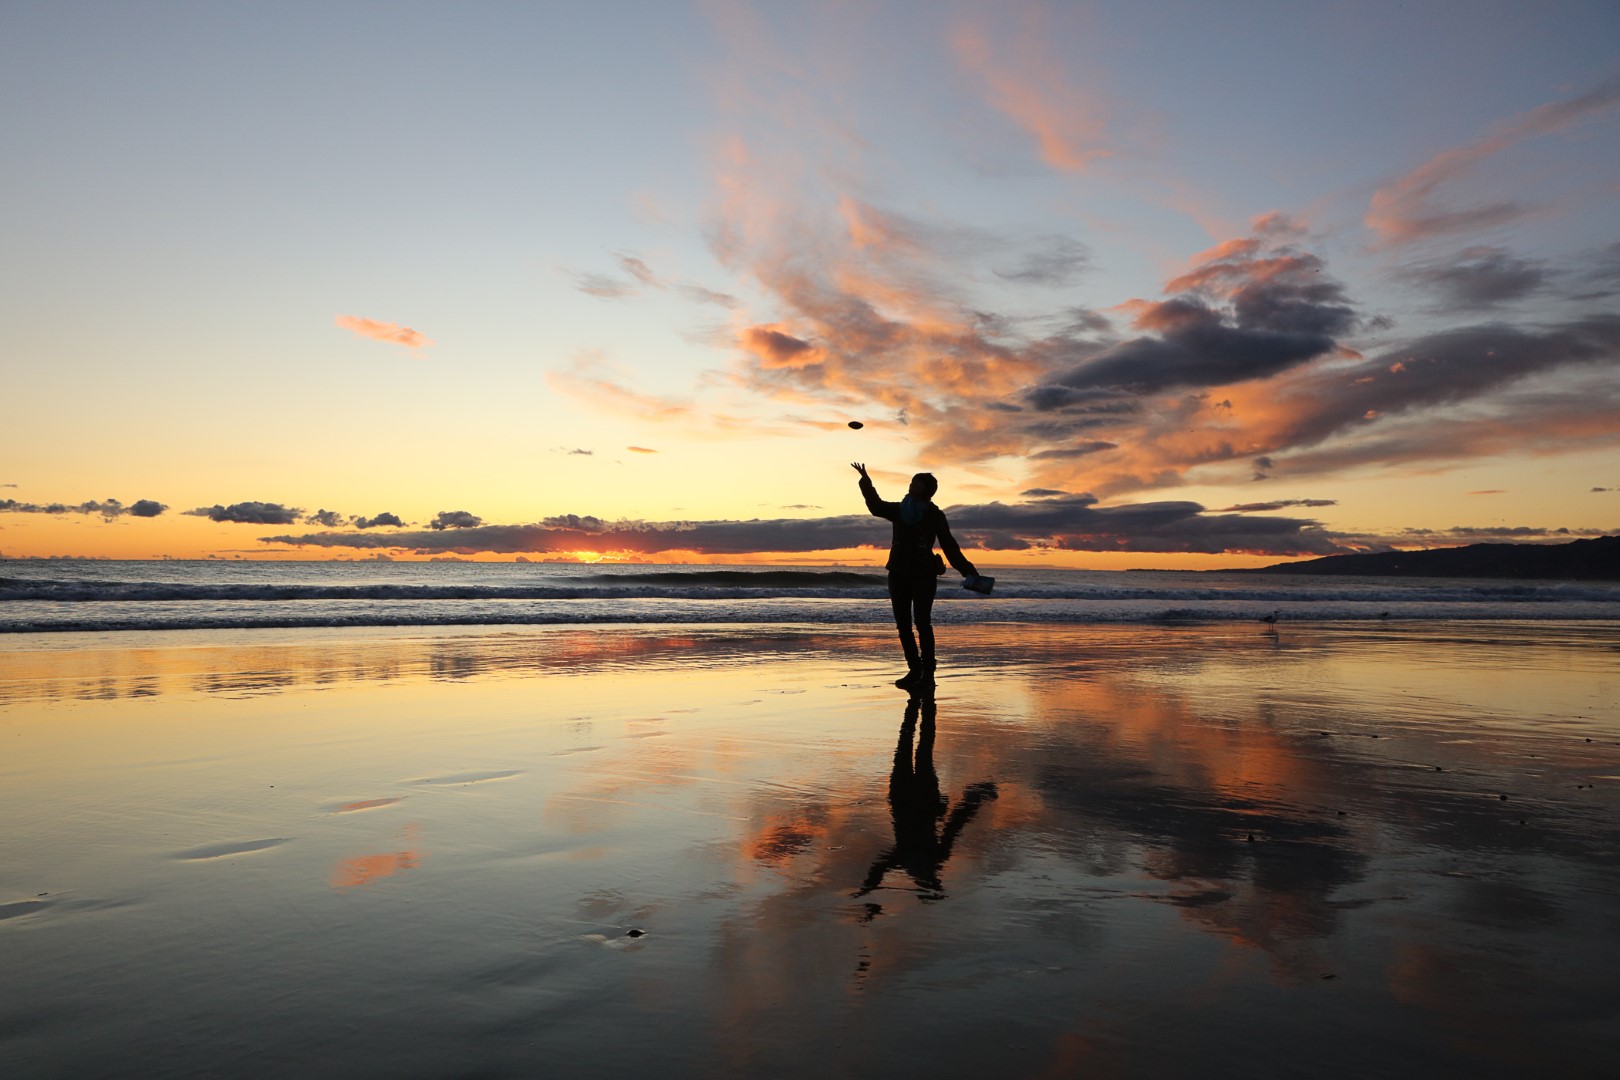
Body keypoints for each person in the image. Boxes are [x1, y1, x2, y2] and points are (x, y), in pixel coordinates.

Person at [851, 462, 979, 690]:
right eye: (911, 482)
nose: (911, 485)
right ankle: (914, 670)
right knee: (903, 626)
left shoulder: (934, 515)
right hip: (898, 572)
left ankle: (928, 674)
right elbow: (876, 506)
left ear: (927, 490)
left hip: (923, 575)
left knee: (923, 624)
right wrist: (865, 481)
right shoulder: (900, 509)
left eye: (916, 483)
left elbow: (949, 546)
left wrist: (969, 572)